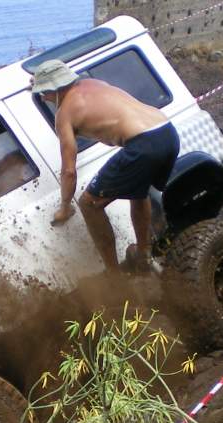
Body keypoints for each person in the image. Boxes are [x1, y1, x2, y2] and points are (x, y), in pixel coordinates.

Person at [30, 59, 180, 272]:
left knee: (89, 204)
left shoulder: (65, 114)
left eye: (43, 92)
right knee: (139, 191)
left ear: (54, 89)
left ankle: (113, 274)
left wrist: (65, 207)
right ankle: (143, 255)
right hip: (167, 132)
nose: (43, 97)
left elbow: (69, 171)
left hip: (142, 144)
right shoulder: (94, 83)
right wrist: (39, 83)